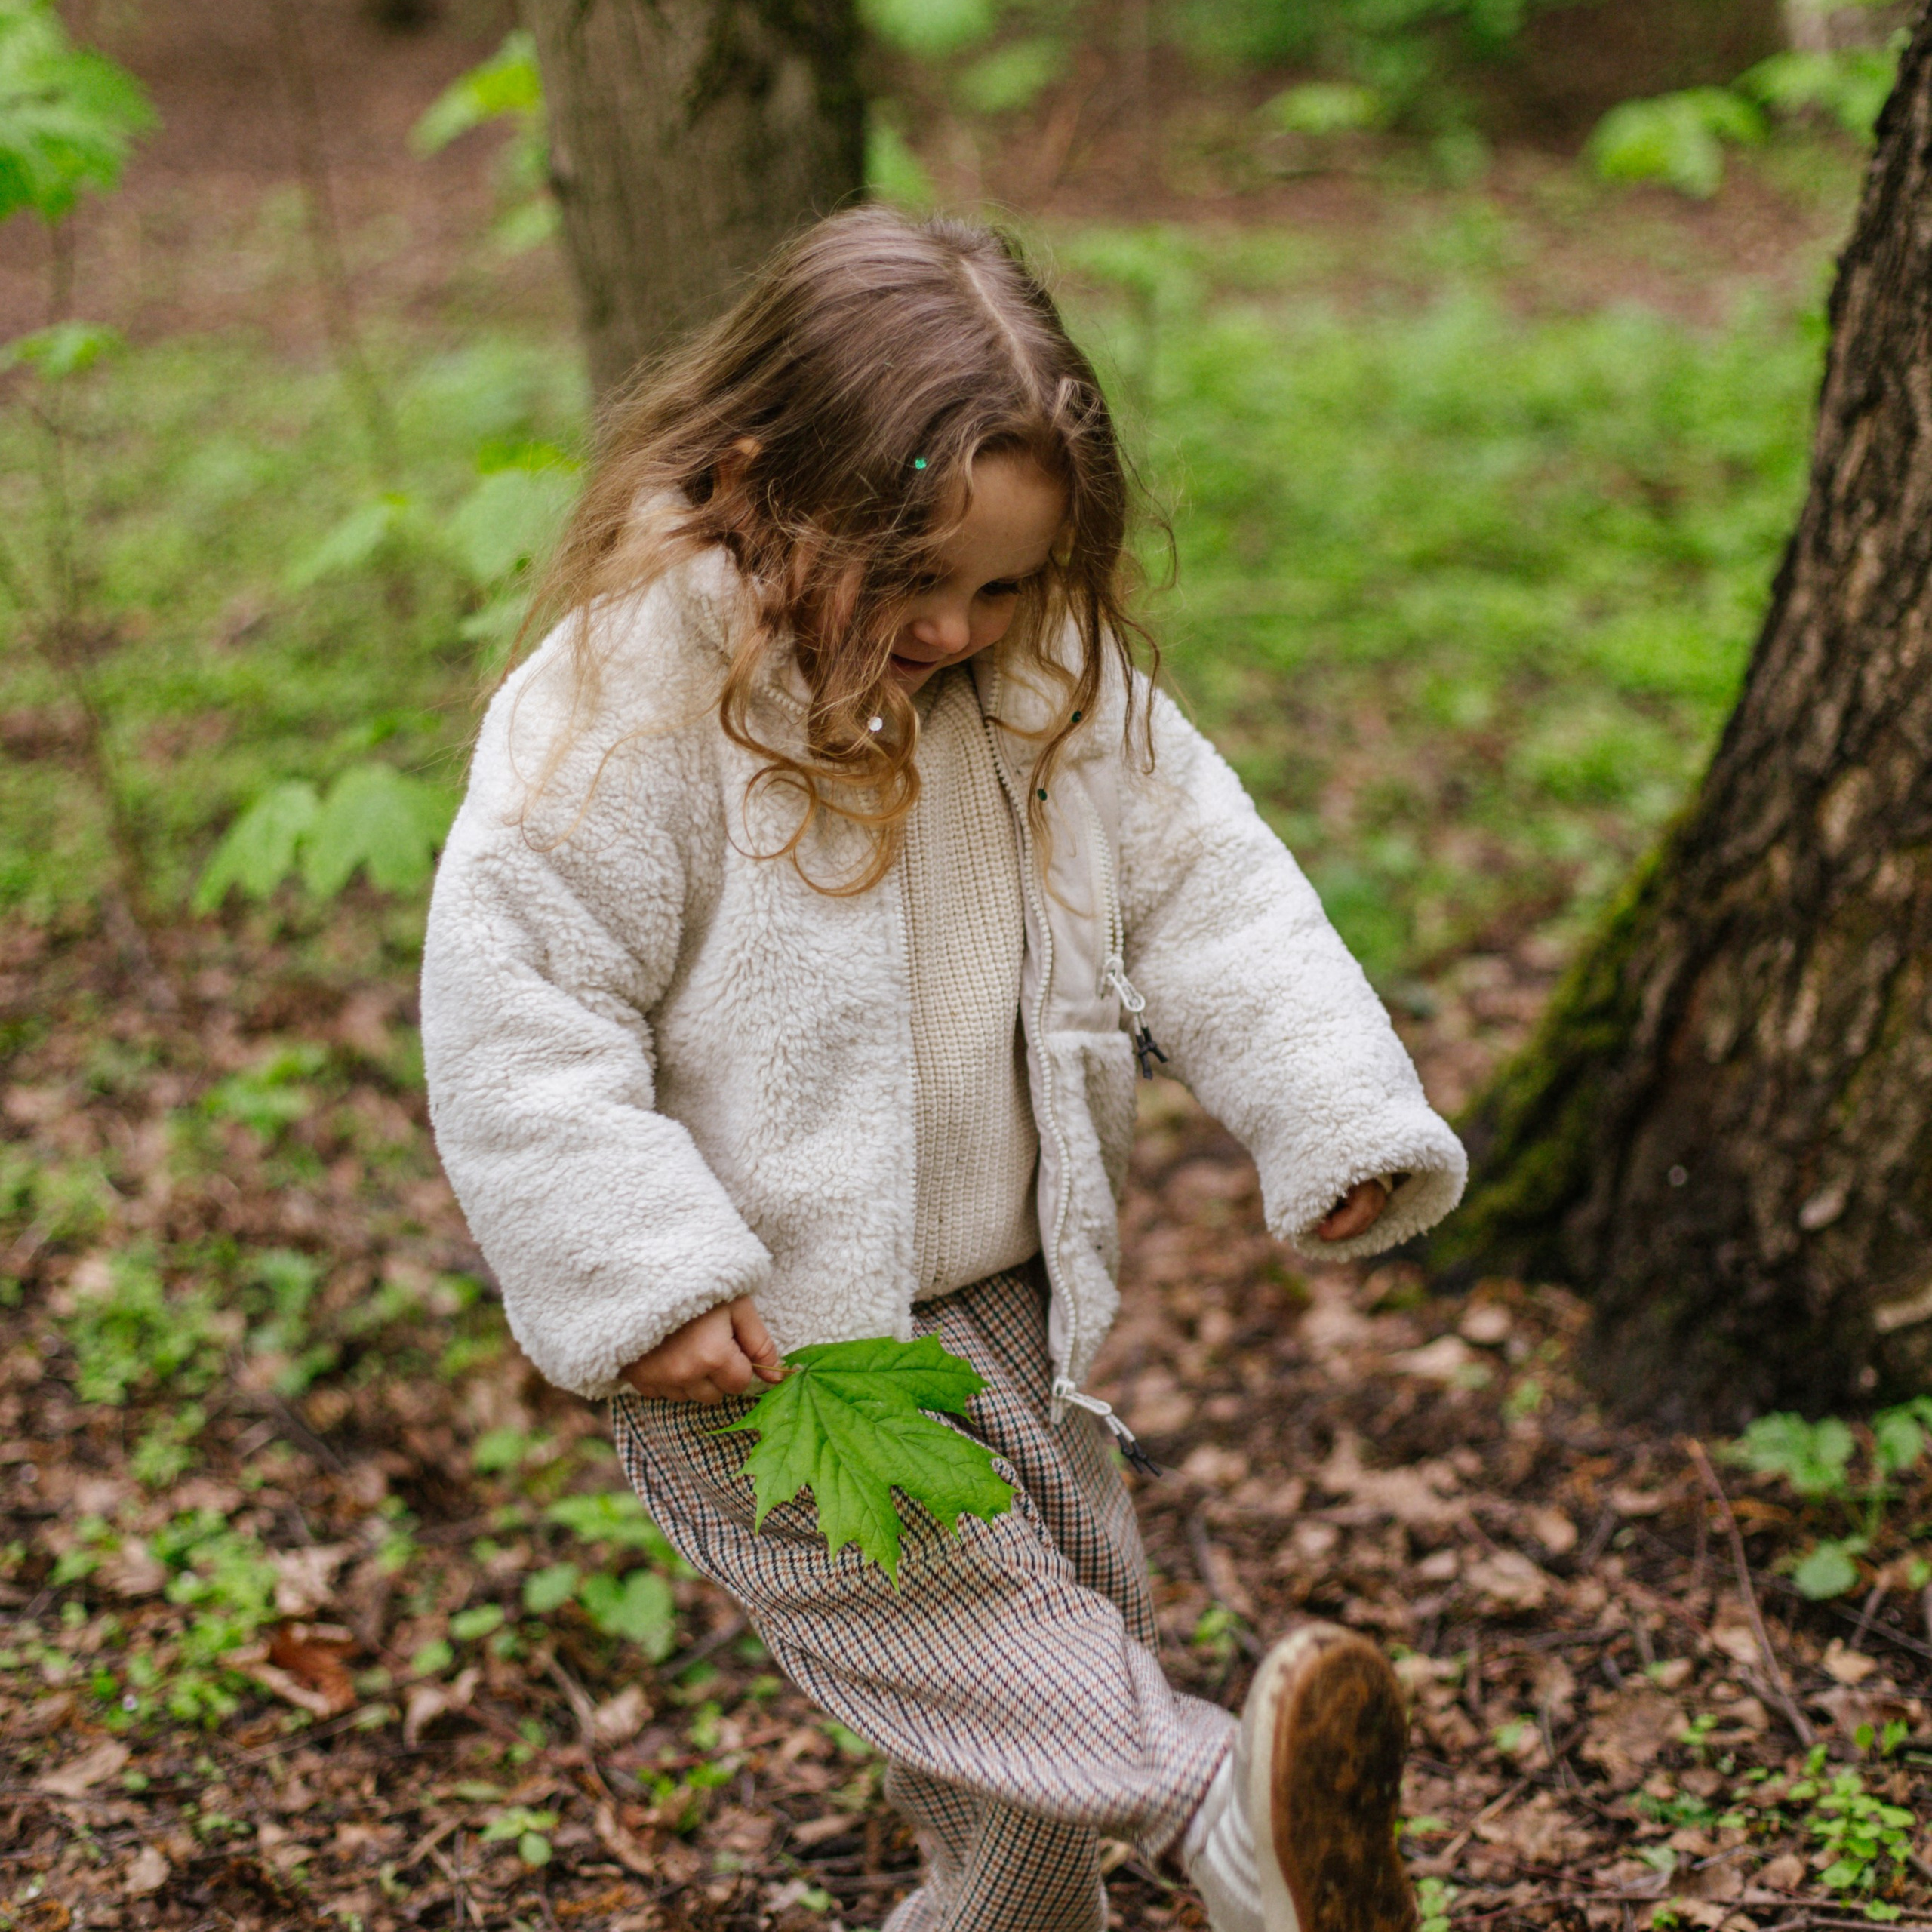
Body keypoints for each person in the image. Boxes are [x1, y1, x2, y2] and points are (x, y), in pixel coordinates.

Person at [420, 205, 1466, 1932]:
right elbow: (520, 994)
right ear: (766, 478)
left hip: (1005, 1295)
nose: (954, 626)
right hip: (766, 1336)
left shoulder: (1048, 671)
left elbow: (1206, 881)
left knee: (1049, 1680)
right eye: (907, 578)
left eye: (1001, 583)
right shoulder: (633, 690)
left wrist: (1326, 1102)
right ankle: (1215, 1804)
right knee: (977, 1642)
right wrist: (638, 1270)